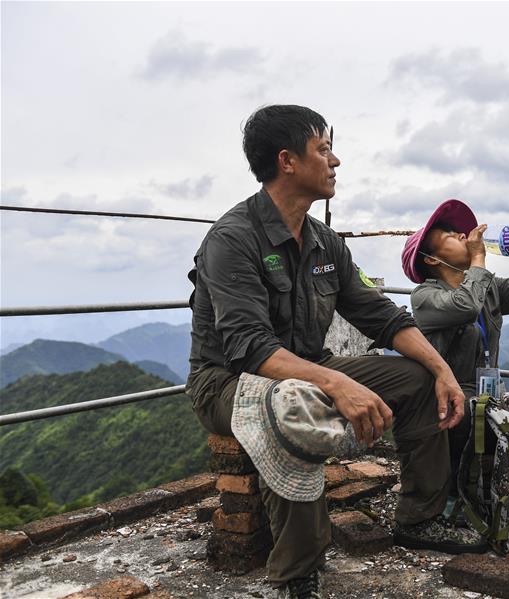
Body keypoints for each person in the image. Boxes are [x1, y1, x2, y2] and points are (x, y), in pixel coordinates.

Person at [186, 106, 483, 599]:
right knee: (292, 400)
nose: (335, 160)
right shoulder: (233, 239)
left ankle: (420, 518)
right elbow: (249, 348)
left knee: (414, 376)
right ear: (287, 161)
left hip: (306, 368)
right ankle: (295, 573)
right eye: (323, 150)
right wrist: (338, 383)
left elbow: (383, 316)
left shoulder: (325, 242)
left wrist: (441, 369)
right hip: (227, 382)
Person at [401, 199, 509, 511]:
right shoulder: (425, 296)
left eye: (459, 232)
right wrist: (479, 259)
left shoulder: (489, 287)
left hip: (492, 404)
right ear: (431, 259)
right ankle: (458, 491)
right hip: (451, 406)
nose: (462, 235)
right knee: (471, 413)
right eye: (449, 235)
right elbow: (465, 305)